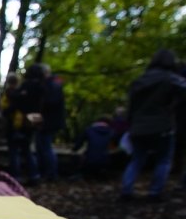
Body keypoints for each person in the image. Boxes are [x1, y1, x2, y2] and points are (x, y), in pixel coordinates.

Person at [121, 48, 186, 201]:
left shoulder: (139, 81)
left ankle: (126, 189)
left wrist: (130, 125)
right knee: (163, 159)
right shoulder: (170, 78)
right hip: (162, 126)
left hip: (138, 127)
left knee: (137, 159)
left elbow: (131, 106)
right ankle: (155, 192)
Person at [3, 71, 40, 185]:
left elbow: (5, 111)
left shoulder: (9, 95)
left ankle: (16, 177)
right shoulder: (25, 93)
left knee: (14, 153)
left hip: (14, 127)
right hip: (26, 127)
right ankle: (34, 175)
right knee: (27, 152)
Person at [35, 63, 66, 181]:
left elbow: (51, 102)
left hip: (49, 122)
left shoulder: (53, 85)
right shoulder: (51, 84)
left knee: (46, 147)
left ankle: (51, 173)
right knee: (42, 146)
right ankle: (46, 172)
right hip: (47, 121)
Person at [72, 114, 113, 179]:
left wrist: (74, 150)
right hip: (105, 160)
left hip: (89, 160)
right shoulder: (111, 132)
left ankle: (79, 173)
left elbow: (79, 144)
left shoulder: (89, 130)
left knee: (82, 156)